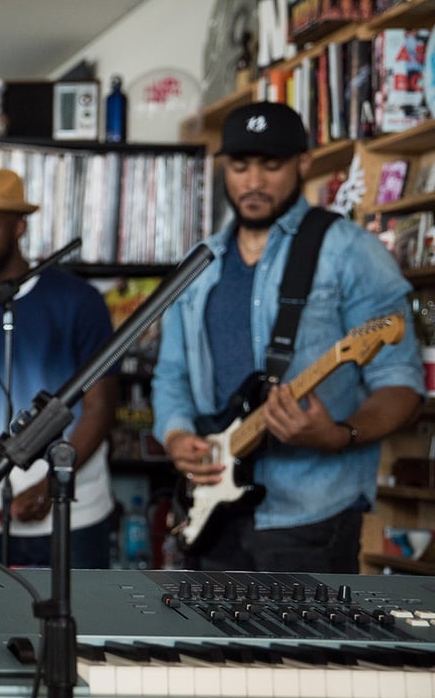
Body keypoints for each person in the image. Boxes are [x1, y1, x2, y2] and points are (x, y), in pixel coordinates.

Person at [151, 101, 424, 573]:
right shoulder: (200, 262)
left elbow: (402, 383)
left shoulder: (348, 250)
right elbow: (171, 373)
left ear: (303, 164)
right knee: (210, 648)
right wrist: (177, 437)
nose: (253, 182)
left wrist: (340, 434)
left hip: (312, 511)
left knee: (299, 650)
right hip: (212, 506)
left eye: (271, 165)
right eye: (239, 166)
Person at [0, 168, 118, 569]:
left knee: (81, 628)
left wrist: (53, 483)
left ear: (19, 228)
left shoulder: (80, 302)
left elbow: (100, 406)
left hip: (73, 511)